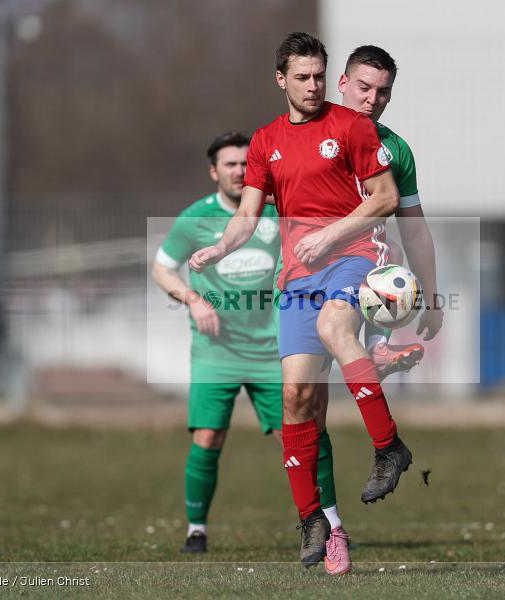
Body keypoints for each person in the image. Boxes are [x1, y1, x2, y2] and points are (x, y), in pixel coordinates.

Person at [189, 33, 412, 574]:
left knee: (339, 326)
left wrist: (333, 235)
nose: (313, 86)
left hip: (356, 256)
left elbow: (384, 198)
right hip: (299, 278)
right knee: (296, 399)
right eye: (303, 77)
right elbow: (247, 215)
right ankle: (313, 518)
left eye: (319, 75)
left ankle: (388, 447)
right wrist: (221, 246)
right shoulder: (265, 142)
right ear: (281, 79)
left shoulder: (352, 127)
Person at [153, 131, 327, 554]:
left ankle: (322, 524)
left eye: (245, 164)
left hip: (273, 350)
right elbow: (162, 269)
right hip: (217, 353)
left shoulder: (275, 211)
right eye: (229, 164)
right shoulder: (195, 217)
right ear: (214, 171)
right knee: (208, 438)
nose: (238, 171)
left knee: (301, 436)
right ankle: (196, 529)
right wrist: (194, 301)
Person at [338, 45, 444, 378]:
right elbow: (261, 195)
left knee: (392, 249)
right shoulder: (312, 133)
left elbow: (415, 231)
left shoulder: (395, 150)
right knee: (303, 396)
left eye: (383, 92)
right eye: (364, 88)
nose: (372, 99)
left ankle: (377, 349)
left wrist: (432, 299)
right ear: (343, 82)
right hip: (306, 268)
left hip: (360, 267)